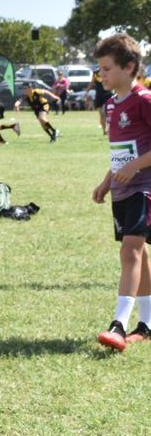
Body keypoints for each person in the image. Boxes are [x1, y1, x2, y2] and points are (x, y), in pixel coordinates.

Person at [91, 33, 151, 351]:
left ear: (129, 68)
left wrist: (137, 166)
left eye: (107, 68)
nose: (102, 75)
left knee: (129, 251)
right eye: (100, 69)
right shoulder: (112, 105)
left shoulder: (144, 100)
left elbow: (139, 156)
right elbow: (120, 154)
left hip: (145, 187)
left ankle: (119, 324)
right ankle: (148, 323)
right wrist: (107, 181)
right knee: (137, 253)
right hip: (122, 190)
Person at [93, 68, 112, 133]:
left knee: (104, 113)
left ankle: (108, 129)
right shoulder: (95, 73)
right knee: (101, 114)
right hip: (99, 96)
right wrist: (87, 91)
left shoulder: (107, 72)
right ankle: (104, 131)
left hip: (107, 95)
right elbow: (92, 83)